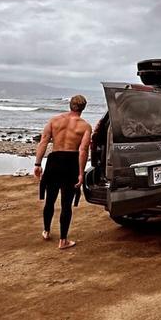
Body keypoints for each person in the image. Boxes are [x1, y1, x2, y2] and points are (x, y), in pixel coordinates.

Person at [34, 95, 92, 250]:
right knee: (66, 204)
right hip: (71, 163)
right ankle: (63, 240)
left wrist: (38, 164)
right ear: (84, 108)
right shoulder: (85, 126)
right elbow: (83, 150)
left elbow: (44, 141)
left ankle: (46, 231)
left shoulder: (54, 120)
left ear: (70, 105)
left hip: (54, 161)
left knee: (50, 199)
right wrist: (81, 172)